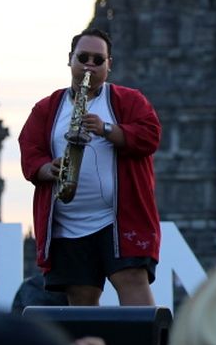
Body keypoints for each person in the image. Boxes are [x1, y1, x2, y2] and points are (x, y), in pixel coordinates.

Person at [18, 29, 161, 306]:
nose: (90, 65)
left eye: (98, 60)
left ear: (109, 64)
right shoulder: (47, 108)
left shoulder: (129, 101)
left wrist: (106, 129)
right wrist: (49, 169)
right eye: (83, 57)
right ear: (70, 60)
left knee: (132, 281)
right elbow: (29, 151)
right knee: (81, 298)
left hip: (118, 218)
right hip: (68, 223)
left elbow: (150, 136)